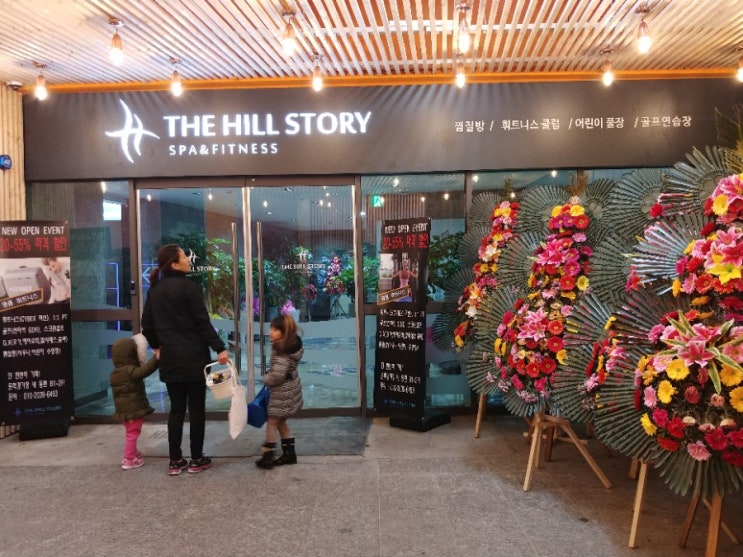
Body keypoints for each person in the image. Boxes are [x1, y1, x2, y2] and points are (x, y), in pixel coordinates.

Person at [141, 244, 230, 476]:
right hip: (194, 358)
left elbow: (146, 325)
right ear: (174, 264)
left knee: (176, 410)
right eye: (184, 256)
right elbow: (202, 323)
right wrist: (219, 348)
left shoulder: (155, 290)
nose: (188, 259)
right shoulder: (189, 288)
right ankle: (197, 459)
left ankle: (175, 461)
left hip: (170, 359)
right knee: (196, 409)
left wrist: (157, 346)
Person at [256, 313, 304, 469]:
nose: (271, 332)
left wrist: (265, 378)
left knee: (272, 423)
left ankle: (267, 457)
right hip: (288, 390)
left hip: (282, 392)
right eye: (271, 328)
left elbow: (277, 376)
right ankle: (290, 454)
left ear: (285, 332)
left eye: (276, 330)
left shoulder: (282, 351)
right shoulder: (290, 347)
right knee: (280, 421)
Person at [109, 333, 159, 470]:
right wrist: (156, 359)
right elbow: (144, 371)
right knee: (132, 434)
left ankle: (133, 452)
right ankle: (129, 459)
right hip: (132, 410)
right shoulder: (129, 371)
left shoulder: (115, 372)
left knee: (130, 432)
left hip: (123, 410)